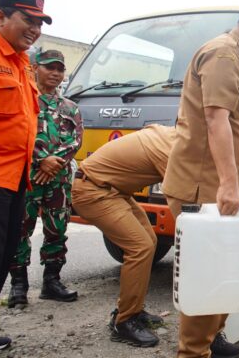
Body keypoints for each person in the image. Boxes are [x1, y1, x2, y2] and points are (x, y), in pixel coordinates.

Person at [162, 0, 239, 358]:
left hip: (213, 189)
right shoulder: (225, 55)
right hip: (203, 189)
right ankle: (194, 351)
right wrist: (231, 186)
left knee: (221, 270)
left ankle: (210, 341)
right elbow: (217, 120)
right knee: (206, 274)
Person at [71, 125, 175, 347]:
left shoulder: (170, 135)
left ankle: (132, 310)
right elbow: (179, 195)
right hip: (94, 190)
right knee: (140, 247)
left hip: (114, 191)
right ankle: (124, 322)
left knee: (150, 242)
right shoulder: (171, 148)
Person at [0, 0, 51, 351]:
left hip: (16, 178)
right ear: (0, 17)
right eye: (27, 20)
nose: (34, 29)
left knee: (2, 254)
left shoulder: (21, 62)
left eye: (39, 23)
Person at [8, 50, 83, 308]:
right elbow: (16, 133)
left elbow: (76, 141)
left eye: (60, 69)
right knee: (20, 228)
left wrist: (52, 165)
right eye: (50, 67)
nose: (55, 74)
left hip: (58, 179)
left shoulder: (70, 107)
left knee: (57, 229)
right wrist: (41, 161)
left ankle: (52, 282)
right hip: (27, 176)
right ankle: (19, 285)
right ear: (35, 68)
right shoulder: (23, 98)